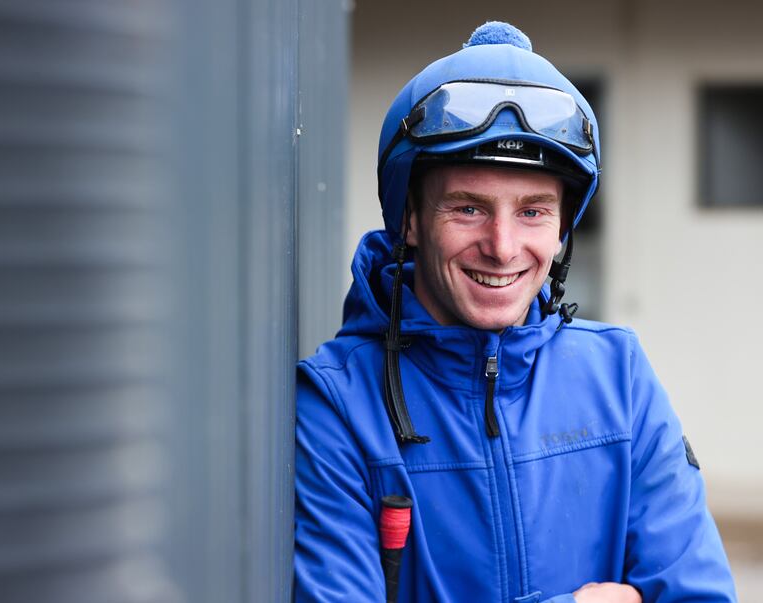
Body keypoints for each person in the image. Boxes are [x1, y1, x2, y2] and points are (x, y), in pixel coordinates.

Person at [295, 21, 737, 603]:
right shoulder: (337, 404)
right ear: (409, 221)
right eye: (468, 208)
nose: (502, 247)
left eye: (533, 212)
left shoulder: (619, 377)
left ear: (563, 231)